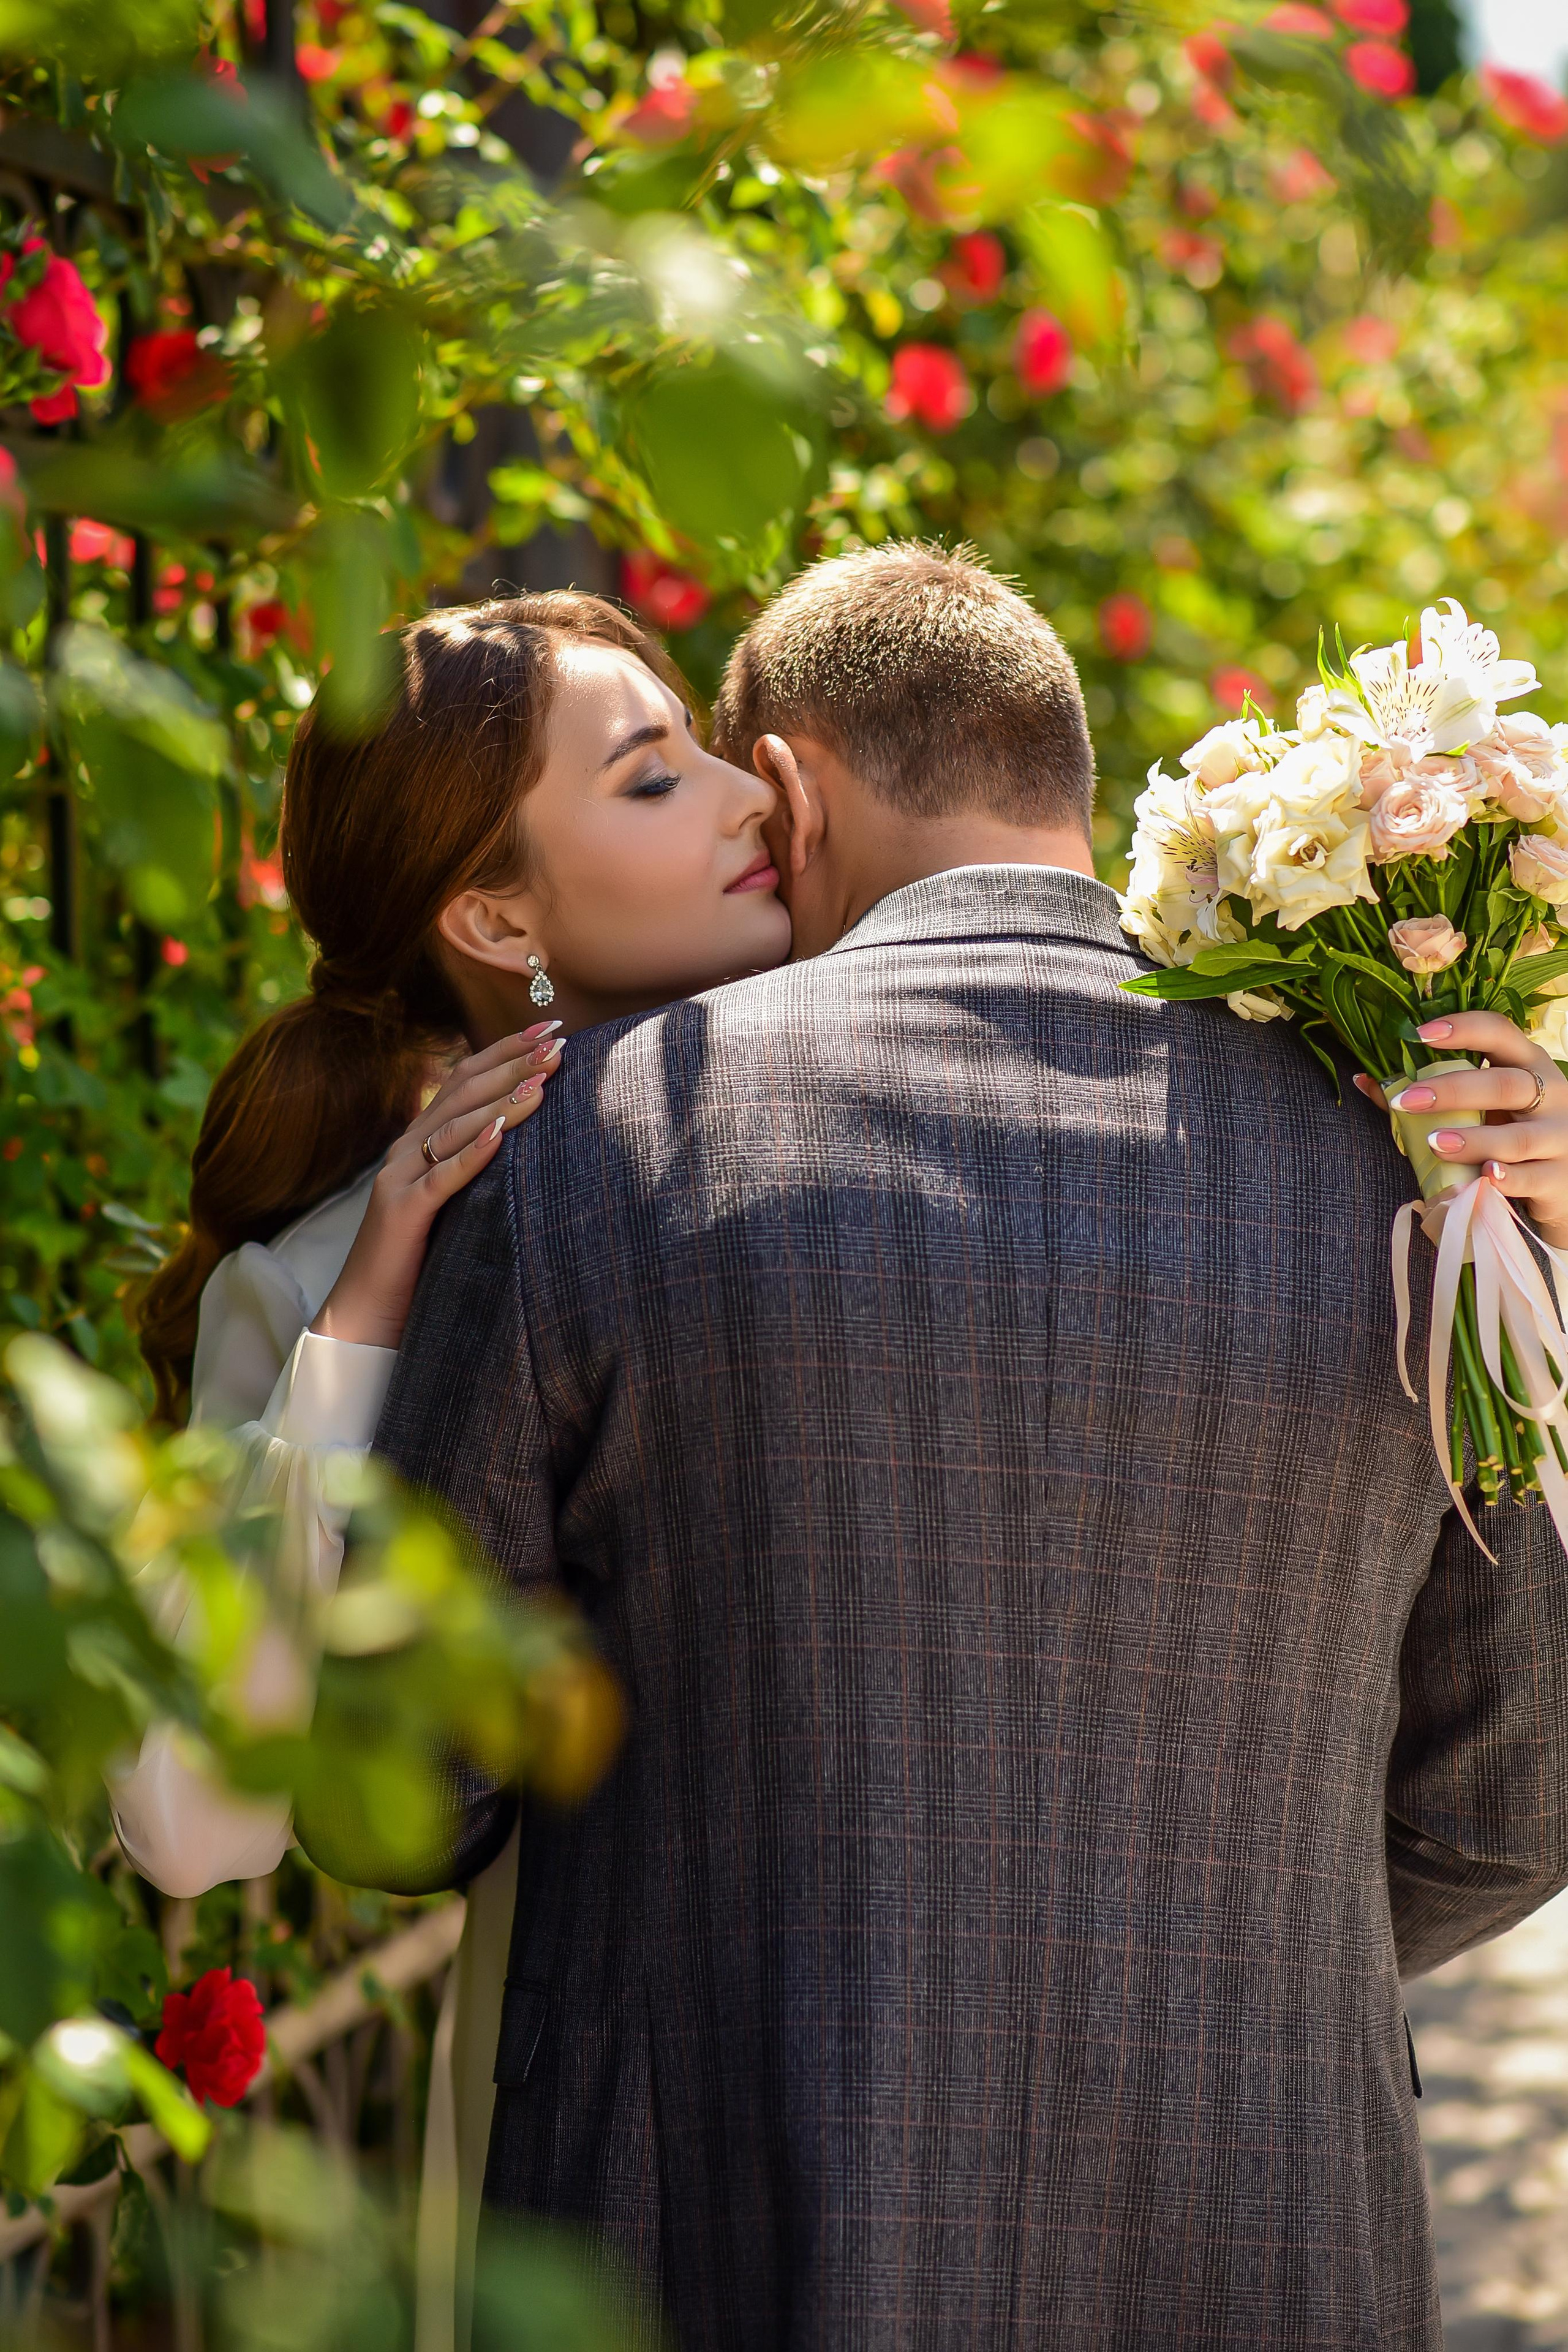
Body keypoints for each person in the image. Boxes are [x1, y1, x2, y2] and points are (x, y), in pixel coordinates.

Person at [356, 542, 1568, 2349]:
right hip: (1259, 2239)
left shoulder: (582, 1156)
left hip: (725, 2256)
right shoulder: (1394, 1173)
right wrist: (1215, 1954)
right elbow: (1513, 1792)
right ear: (1073, 787)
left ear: (790, 791)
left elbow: (399, 1790)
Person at [114, 590, 791, 2352]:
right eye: (657, 780)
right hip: (596, 2126)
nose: (749, 798)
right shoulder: (333, 1275)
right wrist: (373, 1313)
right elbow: (192, 1822)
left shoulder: (898, 1107)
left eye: (709, 746)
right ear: (494, 913)